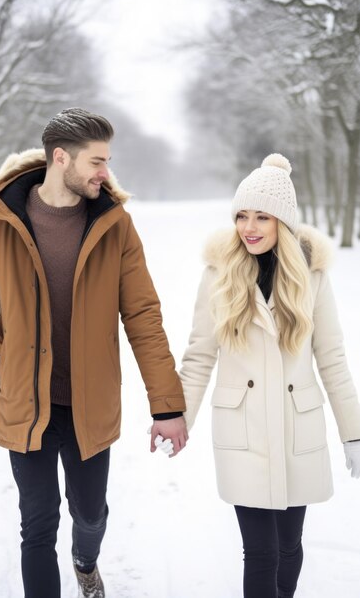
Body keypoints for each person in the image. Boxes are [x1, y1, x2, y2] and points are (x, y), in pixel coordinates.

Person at [0, 108, 188, 598]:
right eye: (97, 161)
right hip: (27, 404)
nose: (106, 173)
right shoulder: (0, 220)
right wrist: (0, 358)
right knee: (36, 528)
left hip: (89, 403)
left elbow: (143, 316)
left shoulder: (114, 225)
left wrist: (167, 406)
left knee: (89, 513)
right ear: (61, 158)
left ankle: (86, 561)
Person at [179, 153, 360, 598]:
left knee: (290, 544)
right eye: (241, 215)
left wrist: (352, 431)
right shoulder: (218, 275)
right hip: (244, 429)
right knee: (260, 550)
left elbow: (332, 357)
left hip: (298, 426)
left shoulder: (312, 277)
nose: (249, 227)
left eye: (262, 216)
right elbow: (199, 354)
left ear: (283, 221)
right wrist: (178, 416)